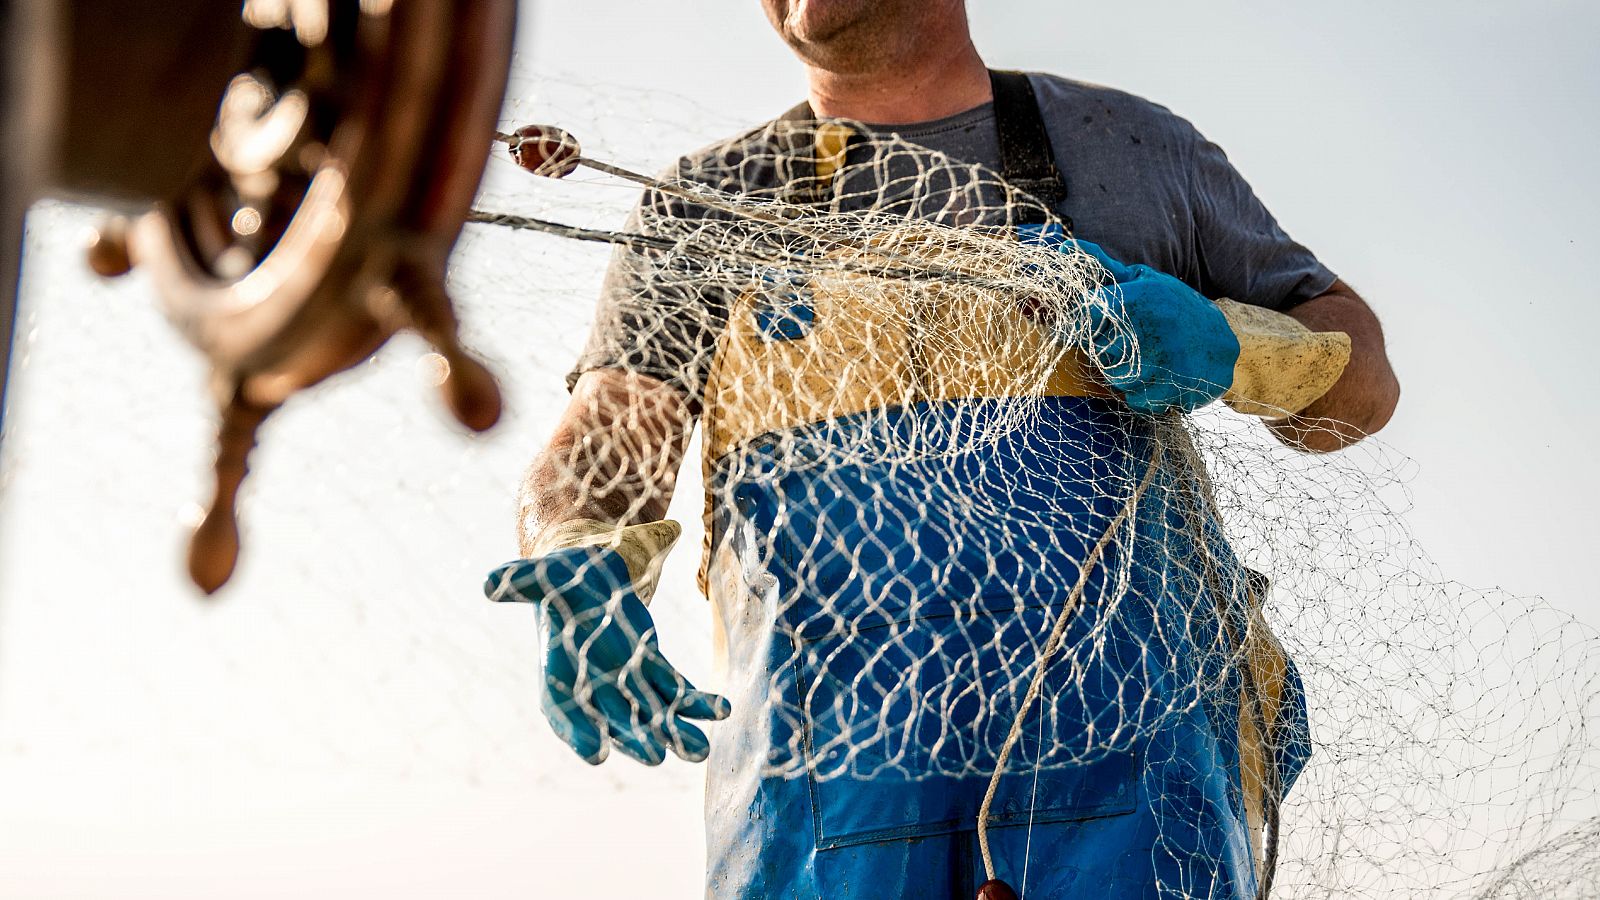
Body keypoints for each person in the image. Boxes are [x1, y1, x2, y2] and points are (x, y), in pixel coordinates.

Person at [485, 2, 1401, 897]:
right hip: (818, 806)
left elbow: (1365, 387)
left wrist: (1239, 344)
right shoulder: (705, 205)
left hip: (1139, 780)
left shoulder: (1137, 148)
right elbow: (608, 440)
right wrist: (571, 546)